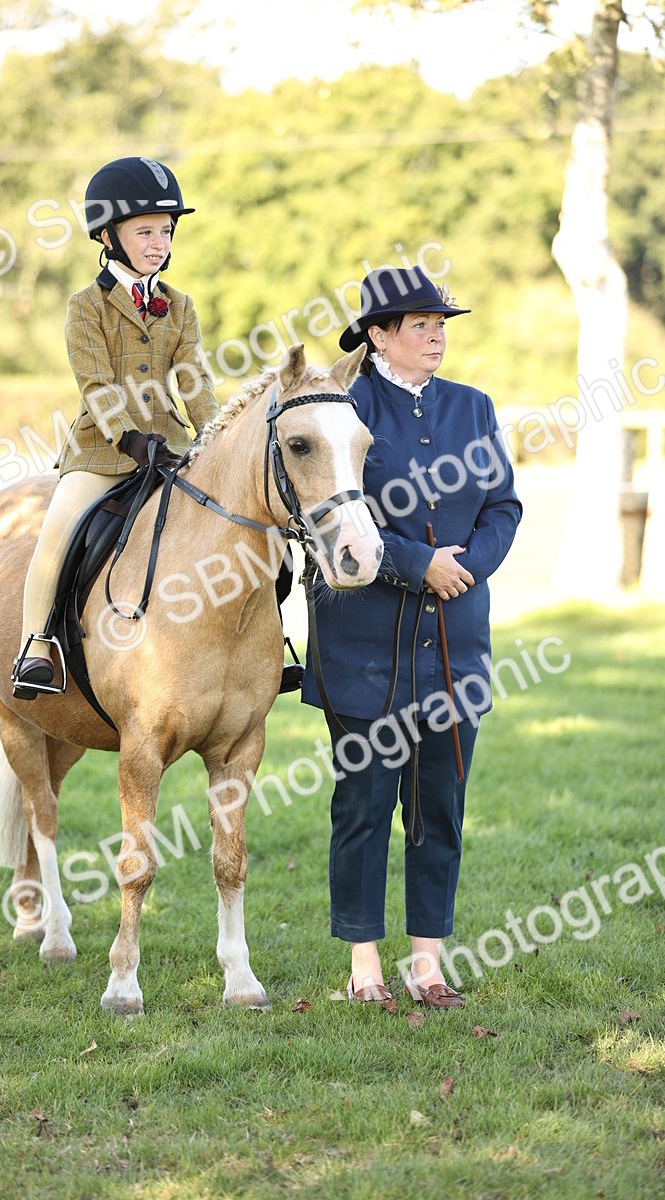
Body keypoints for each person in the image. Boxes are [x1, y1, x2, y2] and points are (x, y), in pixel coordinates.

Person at [301, 265, 522, 1007]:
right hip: (364, 641)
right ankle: (364, 966)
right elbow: (336, 514)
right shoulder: (343, 407)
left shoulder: (473, 406)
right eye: (420, 324)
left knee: (440, 807)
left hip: (457, 642)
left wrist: (463, 569)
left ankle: (427, 962)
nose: (436, 335)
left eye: (441, 323)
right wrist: (416, 564)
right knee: (363, 806)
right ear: (377, 335)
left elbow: (503, 508)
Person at [12, 155, 219, 698]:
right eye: (145, 231)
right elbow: (96, 384)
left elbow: (193, 378)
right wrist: (128, 435)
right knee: (57, 531)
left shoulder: (180, 305)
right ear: (108, 234)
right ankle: (35, 645)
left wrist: (215, 436)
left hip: (170, 447)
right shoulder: (86, 307)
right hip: (104, 451)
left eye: (167, 231)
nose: (159, 243)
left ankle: (266, 643)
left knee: (243, 517)